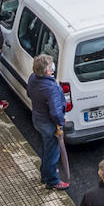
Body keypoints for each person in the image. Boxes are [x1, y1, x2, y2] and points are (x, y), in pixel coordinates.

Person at [27, 54, 70, 190]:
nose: (53, 68)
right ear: (47, 71)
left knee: (47, 148)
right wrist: (60, 123)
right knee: (52, 152)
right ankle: (52, 181)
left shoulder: (33, 78)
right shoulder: (51, 88)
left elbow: (29, 93)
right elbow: (56, 112)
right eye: (51, 67)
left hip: (38, 119)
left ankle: (45, 174)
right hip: (49, 123)